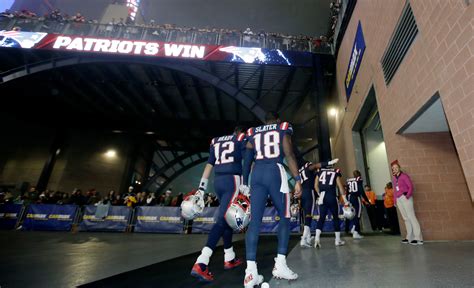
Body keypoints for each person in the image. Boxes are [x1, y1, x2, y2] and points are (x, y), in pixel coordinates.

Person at [241, 111, 302, 286]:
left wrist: (245, 182)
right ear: (277, 120)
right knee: (285, 216)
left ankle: (250, 273)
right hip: (275, 171)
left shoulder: (253, 132)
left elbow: (247, 160)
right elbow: (289, 154)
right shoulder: (282, 128)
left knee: (254, 222)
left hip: (257, 173)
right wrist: (297, 180)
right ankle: (280, 265)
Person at [190, 126, 247, 283]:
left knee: (226, 218)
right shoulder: (240, 139)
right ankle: (202, 262)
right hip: (232, 180)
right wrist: (247, 183)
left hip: (218, 182)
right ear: (241, 133)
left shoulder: (216, 141)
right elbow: (248, 161)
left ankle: (229, 257)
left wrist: (201, 188)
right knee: (222, 220)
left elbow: (209, 164)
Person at [298, 158, 339, 247]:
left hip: (303, 193)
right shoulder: (308, 167)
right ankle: (304, 239)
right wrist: (329, 162)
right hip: (309, 192)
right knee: (309, 216)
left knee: (306, 216)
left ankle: (308, 237)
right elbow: (316, 166)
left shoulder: (301, 171)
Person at [314, 164, 349, 248]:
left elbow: (315, 186)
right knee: (335, 218)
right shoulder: (335, 172)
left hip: (322, 196)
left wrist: (320, 194)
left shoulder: (319, 172)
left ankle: (317, 238)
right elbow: (340, 186)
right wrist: (345, 200)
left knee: (321, 218)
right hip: (332, 196)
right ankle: (337, 240)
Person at [391, 160, 423, 245]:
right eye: (393, 168)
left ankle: (418, 238)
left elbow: (410, 187)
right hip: (398, 200)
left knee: (411, 216)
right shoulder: (394, 179)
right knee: (405, 218)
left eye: (396, 167)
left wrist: (407, 196)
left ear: (399, 168)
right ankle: (409, 237)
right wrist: (395, 200)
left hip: (405, 198)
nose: (395, 169)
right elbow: (394, 190)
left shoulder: (404, 176)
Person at [346, 170, 371, 239]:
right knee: (358, 214)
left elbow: (347, 191)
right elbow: (361, 191)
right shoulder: (358, 179)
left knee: (354, 214)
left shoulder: (349, 180)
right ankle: (355, 232)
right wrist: (367, 200)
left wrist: (347, 200)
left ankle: (353, 228)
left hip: (350, 197)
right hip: (356, 198)